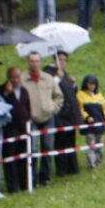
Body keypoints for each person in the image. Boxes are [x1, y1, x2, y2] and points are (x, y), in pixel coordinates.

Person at [24, 51, 63, 186]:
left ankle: (45, 177)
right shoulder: (23, 79)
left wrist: (53, 108)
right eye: (32, 61)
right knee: (32, 149)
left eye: (37, 61)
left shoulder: (48, 78)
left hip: (47, 117)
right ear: (28, 62)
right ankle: (32, 178)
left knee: (47, 147)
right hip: (32, 119)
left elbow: (58, 96)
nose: (34, 63)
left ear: (40, 62)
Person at [0, 66, 31, 193]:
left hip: (23, 128)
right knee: (10, 157)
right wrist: (6, 94)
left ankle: (25, 183)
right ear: (8, 78)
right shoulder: (1, 90)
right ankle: (13, 186)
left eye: (17, 77)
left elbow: (28, 107)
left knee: (23, 156)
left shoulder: (24, 91)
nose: (15, 80)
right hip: (9, 129)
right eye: (13, 77)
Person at [52, 51, 81, 178]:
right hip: (60, 114)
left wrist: (73, 84)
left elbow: (72, 93)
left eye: (65, 60)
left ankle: (72, 166)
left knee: (71, 141)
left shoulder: (66, 75)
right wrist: (58, 78)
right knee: (61, 142)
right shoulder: (50, 73)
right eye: (60, 59)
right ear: (55, 60)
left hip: (70, 114)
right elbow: (51, 89)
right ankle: (61, 169)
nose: (62, 62)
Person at [77, 74, 105, 169]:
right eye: (90, 84)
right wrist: (86, 117)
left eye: (94, 84)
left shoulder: (99, 96)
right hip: (89, 125)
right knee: (91, 144)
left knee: (100, 144)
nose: (92, 86)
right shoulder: (80, 95)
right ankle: (91, 164)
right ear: (86, 84)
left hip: (100, 123)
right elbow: (79, 109)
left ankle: (99, 162)